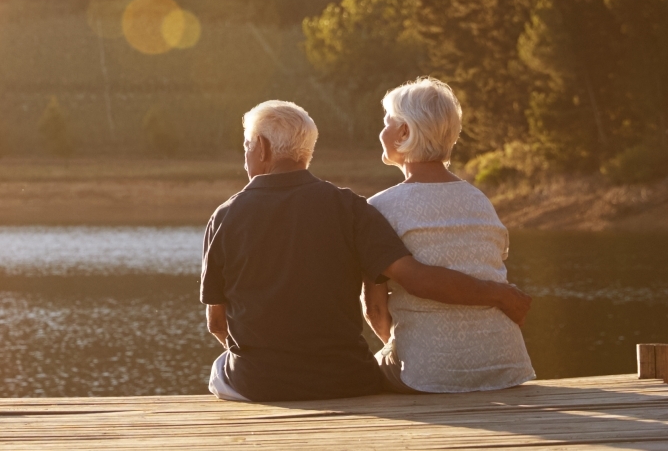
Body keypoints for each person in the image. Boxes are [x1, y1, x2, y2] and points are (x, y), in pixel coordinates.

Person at [201, 100, 530, 402]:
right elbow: (410, 278)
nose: (246, 155)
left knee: (219, 370)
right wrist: (498, 294)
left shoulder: (224, 217)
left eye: (246, 146)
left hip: (259, 383)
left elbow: (217, 324)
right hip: (346, 380)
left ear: (261, 148)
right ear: (307, 152)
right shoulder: (351, 208)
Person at [362, 78, 535, 393]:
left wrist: (411, 350)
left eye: (387, 123)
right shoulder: (479, 200)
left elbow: (374, 311)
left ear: (404, 132)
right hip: (506, 367)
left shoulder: (379, 208)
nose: (382, 132)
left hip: (427, 375)